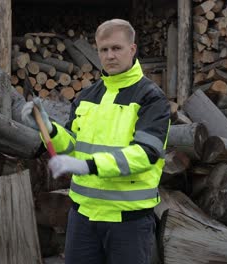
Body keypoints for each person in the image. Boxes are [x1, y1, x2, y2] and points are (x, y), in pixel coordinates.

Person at [22, 18, 170, 264]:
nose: (110, 56)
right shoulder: (86, 96)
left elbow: (145, 154)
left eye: (116, 48)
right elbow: (71, 145)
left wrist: (87, 166)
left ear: (132, 49)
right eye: (104, 49)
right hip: (83, 218)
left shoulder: (151, 98)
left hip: (128, 222)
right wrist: (47, 128)